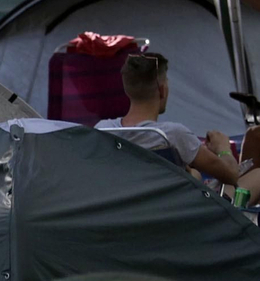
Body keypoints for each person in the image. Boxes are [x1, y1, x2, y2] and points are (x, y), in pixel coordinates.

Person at [94, 51, 255, 189]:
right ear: (162, 90)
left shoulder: (102, 131)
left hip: (121, 211)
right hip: (175, 212)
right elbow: (231, 175)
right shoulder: (172, 136)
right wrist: (223, 148)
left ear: (127, 89)